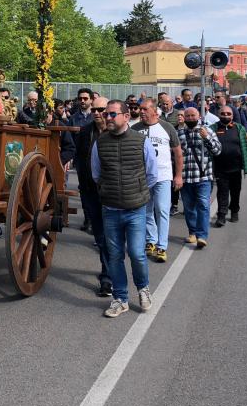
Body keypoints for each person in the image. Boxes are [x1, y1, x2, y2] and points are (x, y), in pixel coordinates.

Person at [91, 100, 158, 318]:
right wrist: (109, 190)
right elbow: (96, 174)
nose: (107, 118)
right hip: (110, 209)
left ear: (126, 117)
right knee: (115, 255)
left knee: (137, 254)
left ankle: (143, 289)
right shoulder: (100, 143)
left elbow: (152, 174)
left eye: (112, 114)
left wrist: (136, 192)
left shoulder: (141, 141)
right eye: (106, 114)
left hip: (135, 208)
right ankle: (120, 298)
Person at [134, 100, 183, 263]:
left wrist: (178, 175)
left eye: (144, 109)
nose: (141, 112)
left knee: (162, 209)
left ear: (154, 111)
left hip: (163, 176)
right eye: (140, 109)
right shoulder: (135, 129)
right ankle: (151, 241)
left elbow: (178, 153)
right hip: (143, 177)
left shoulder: (167, 127)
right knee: (146, 210)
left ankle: (162, 246)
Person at [74, 97, 112, 295]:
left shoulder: (117, 131)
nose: (97, 113)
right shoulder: (86, 131)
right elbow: (79, 158)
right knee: (100, 235)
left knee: (110, 236)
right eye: (95, 110)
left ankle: (107, 277)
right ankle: (108, 272)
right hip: (90, 190)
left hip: (113, 193)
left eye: (101, 109)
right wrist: (83, 181)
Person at [178, 107, 221, 249]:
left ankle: (202, 236)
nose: (190, 118)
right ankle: (193, 233)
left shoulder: (207, 130)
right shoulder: (179, 133)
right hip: (185, 178)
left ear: (199, 116)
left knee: (203, 205)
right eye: (187, 116)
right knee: (189, 208)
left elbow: (217, 151)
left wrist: (206, 137)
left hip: (203, 177)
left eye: (193, 115)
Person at [211, 106, 247, 226]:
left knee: (235, 191)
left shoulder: (239, 128)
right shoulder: (213, 128)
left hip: (236, 168)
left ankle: (234, 211)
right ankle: (221, 215)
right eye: (223, 113)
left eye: (228, 114)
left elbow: (245, 147)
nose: (226, 115)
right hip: (220, 168)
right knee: (222, 192)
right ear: (219, 114)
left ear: (232, 116)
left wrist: (246, 165)